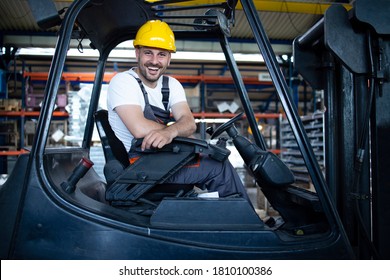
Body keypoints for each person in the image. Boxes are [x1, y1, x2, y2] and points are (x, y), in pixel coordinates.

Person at [107, 20, 250, 202]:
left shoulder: (171, 85)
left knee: (215, 157)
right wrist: (177, 132)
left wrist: (172, 132)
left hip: (164, 157)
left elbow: (189, 123)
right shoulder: (124, 82)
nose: (154, 61)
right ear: (137, 53)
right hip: (142, 167)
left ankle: (224, 217)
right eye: (148, 53)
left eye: (162, 55)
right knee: (218, 167)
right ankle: (241, 224)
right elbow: (139, 128)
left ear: (169, 58)